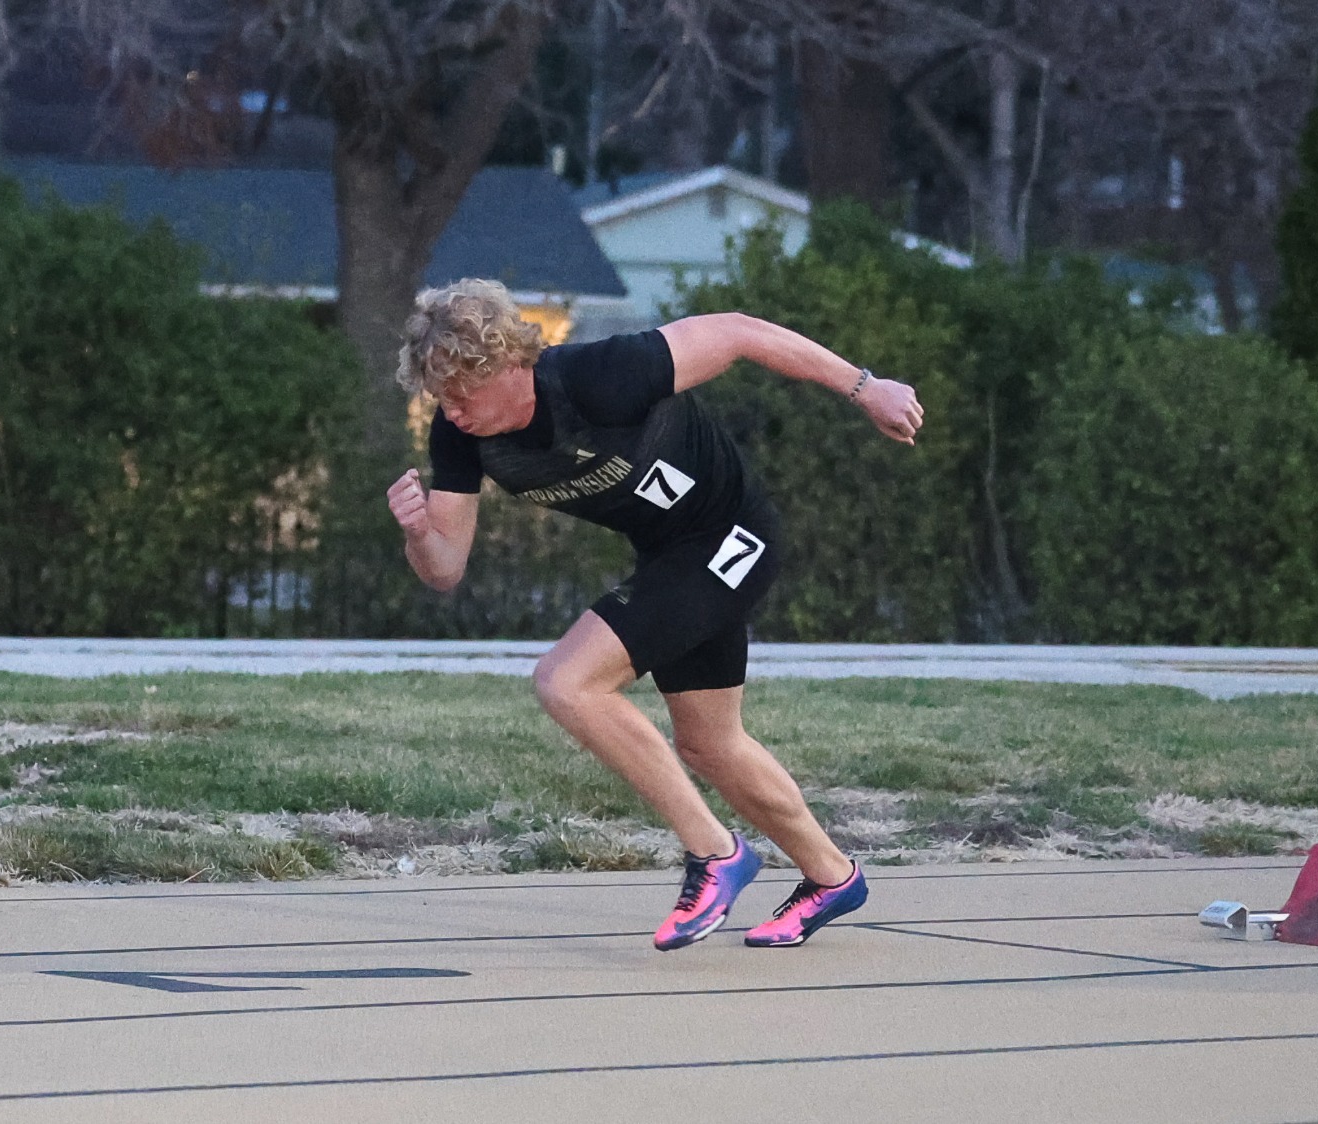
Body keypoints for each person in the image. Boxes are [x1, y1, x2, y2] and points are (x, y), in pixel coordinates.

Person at [387, 279, 924, 949]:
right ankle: (832, 876)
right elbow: (446, 567)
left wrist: (864, 386)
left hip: (732, 537)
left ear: (507, 365)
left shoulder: (599, 376)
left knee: (567, 680)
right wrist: (416, 533)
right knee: (709, 745)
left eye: (463, 395)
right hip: (671, 556)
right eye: (443, 400)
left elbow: (737, 332)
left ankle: (715, 854)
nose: (454, 413)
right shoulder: (460, 438)